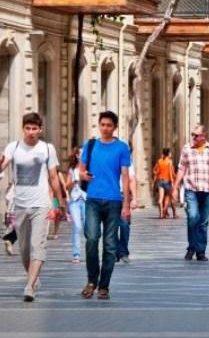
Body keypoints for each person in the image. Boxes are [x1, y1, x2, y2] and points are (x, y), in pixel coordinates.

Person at [0, 113, 65, 302]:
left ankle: (29, 286)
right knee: (24, 250)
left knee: (37, 245)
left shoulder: (47, 149)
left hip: (41, 204)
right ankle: (34, 278)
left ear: (40, 129)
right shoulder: (14, 147)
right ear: (23, 128)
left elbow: (53, 177)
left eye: (35, 128)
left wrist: (60, 201)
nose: (31, 132)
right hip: (20, 205)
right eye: (28, 128)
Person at [78, 111, 131, 299]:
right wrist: (83, 176)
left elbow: (125, 176)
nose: (105, 128)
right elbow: (81, 171)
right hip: (93, 199)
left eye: (109, 125)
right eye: (103, 124)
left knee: (109, 245)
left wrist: (126, 204)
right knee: (91, 239)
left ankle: (104, 286)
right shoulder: (90, 145)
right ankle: (91, 280)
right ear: (99, 125)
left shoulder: (122, 148)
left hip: (114, 201)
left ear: (114, 127)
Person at [171, 124, 209, 262]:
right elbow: (181, 169)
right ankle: (191, 247)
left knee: (203, 222)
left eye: (196, 135)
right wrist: (175, 188)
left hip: (207, 190)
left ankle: (200, 251)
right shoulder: (187, 149)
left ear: (203, 136)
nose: (193, 137)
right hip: (191, 189)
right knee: (193, 217)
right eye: (192, 135)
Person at [116, 144, 138, 263]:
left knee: (124, 225)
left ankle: (123, 251)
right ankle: (115, 252)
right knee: (111, 226)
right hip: (110, 196)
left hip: (124, 196)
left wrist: (134, 198)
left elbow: (132, 179)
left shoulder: (127, 161)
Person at [65, 147, 86, 264]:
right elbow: (66, 185)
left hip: (87, 200)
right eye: (81, 154)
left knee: (88, 228)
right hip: (75, 200)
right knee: (77, 226)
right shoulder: (72, 169)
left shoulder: (90, 168)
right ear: (77, 156)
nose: (82, 156)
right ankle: (76, 254)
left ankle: (90, 251)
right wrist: (74, 181)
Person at [152, 148, 176, 218]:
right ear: (168, 154)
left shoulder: (159, 161)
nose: (170, 154)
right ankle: (167, 212)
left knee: (160, 199)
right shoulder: (169, 162)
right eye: (170, 153)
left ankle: (161, 214)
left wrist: (157, 174)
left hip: (160, 182)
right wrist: (172, 183)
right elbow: (171, 174)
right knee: (169, 198)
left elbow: (154, 171)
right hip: (167, 182)